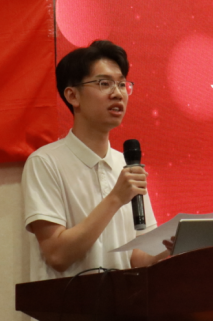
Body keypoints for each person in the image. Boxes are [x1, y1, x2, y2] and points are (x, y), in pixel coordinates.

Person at [22, 40, 170, 281]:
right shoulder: (45, 162)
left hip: (123, 300)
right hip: (68, 303)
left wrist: (172, 242)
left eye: (122, 84)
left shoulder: (126, 165)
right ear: (72, 95)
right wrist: (115, 198)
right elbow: (57, 255)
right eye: (104, 83)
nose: (117, 93)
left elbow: (137, 259)